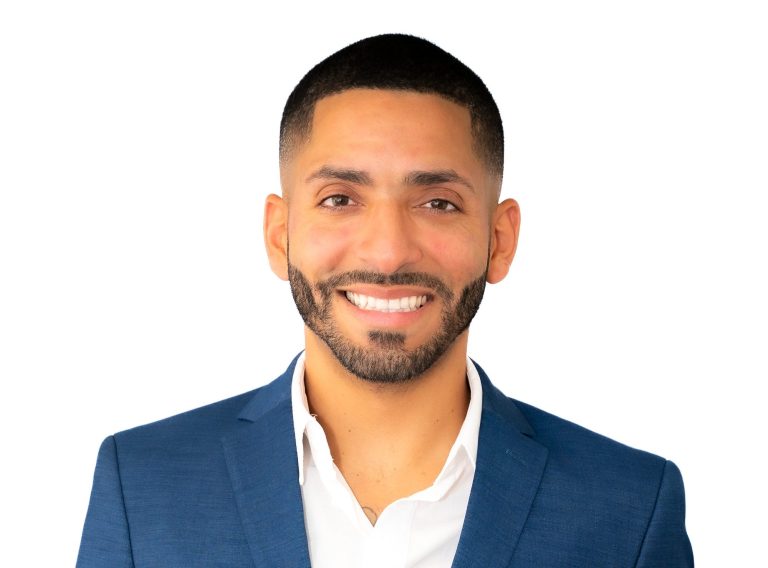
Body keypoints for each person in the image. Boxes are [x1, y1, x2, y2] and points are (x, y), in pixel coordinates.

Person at [77, 34, 693, 567]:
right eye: (341, 198)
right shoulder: (143, 484)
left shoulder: (629, 506)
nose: (390, 252)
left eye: (438, 203)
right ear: (280, 234)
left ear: (499, 241)